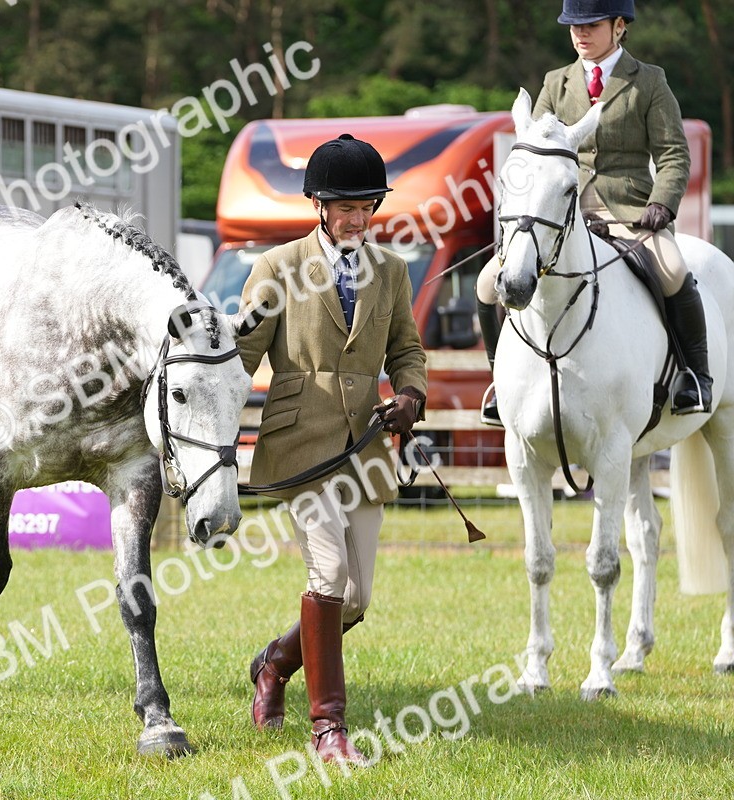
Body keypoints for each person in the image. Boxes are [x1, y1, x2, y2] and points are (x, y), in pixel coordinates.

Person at [236, 134, 427, 767]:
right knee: (328, 575)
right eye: (346, 208)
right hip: (301, 441)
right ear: (318, 205)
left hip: (364, 446)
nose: (357, 219)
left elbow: (406, 349)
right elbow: (242, 357)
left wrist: (411, 394)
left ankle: (274, 664)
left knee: (356, 600)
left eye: (367, 207)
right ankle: (328, 731)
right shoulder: (275, 267)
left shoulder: (392, 270)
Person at [476, 0, 705, 426]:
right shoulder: (556, 83)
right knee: (488, 284)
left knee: (673, 271)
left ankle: (694, 377)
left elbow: (673, 153)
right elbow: (536, 153)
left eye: (592, 25)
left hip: (631, 213)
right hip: (562, 217)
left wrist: (661, 202)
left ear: (619, 26)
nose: (581, 33)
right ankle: (499, 382)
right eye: (574, 26)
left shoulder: (649, 81)